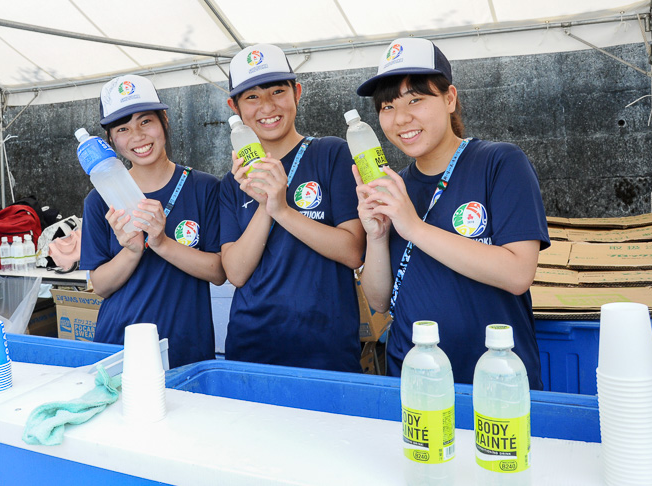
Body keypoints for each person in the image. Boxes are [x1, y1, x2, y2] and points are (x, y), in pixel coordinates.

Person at [353, 38, 550, 388]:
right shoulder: (395, 188)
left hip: (495, 379)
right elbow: (380, 302)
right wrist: (377, 235)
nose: (401, 118)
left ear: (449, 98)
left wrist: (413, 226)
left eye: (416, 99)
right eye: (387, 106)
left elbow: (519, 272)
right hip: (414, 379)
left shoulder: (499, 163)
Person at [220, 43, 365, 372]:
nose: (267, 106)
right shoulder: (232, 182)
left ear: (296, 92)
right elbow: (236, 273)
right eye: (252, 97)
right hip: (251, 344)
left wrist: (283, 209)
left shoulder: (331, 153)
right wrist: (264, 205)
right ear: (235, 107)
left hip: (326, 343)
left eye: (277, 91)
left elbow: (353, 251)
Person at [80, 74, 225, 368]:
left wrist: (161, 242)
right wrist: (132, 251)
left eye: (146, 121)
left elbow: (219, 271)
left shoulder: (204, 188)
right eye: (123, 128)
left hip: (186, 346)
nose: (138, 136)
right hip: (120, 348)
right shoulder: (98, 200)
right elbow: (100, 285)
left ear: (165, 122)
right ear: (111, 139)